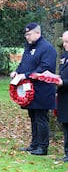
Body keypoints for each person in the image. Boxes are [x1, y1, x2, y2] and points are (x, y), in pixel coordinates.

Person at [10, 22, 57, 155]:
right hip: (28, 89)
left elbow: (44, 68)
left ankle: (43, 147)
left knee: (41, 118)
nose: (27, 37)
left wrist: (26, 75)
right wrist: (17, 72)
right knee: (33, 117)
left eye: (29, 34)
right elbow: (24, 64)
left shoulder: (47, 48)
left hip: (42, 90)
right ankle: (34, 144)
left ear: (37, 33)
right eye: (26, 34)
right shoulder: (29, 48)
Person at [55, 30, 68, 162]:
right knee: (65, 125)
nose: (64, 44)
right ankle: (67, 153)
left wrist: (63, 82)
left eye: (67, 42)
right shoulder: (64, 56)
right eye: (63, 41)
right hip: (64, 96)